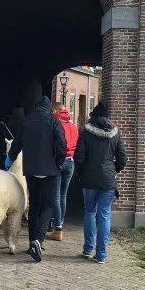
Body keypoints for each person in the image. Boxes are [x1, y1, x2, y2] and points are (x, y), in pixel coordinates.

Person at [6, 96, 66, 262]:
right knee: (48, 206)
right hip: (49, 171)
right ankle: (38, 240)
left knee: (34, 206)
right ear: (48, 108)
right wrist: (59, 162)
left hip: (31, 171)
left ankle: (32, 241)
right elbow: (61, 144)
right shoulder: (54, 122)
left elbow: (16, 144)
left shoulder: (26, 122)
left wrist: (9, 160)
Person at [73, 101, 127, 264]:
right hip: (108, 179)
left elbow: (79, 157)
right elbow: (122, 158)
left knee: (89, 211)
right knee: (104, 215)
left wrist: (81, 172)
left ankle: (88, 248)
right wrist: (114, 170)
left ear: (94, 116)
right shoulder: (116, 133)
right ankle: (101, 254)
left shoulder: (86, 132)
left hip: (89, 178)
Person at [46, 102, 79, 241]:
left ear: (55, 111)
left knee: (56, 196)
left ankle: (57, 227)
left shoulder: (54, 124)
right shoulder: (73, 126)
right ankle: (61, 223)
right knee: (63, 195)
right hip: (71, 161)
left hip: (58, 161)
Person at [0, 105, 25, 170]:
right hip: (21, 160)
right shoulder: (26, 127)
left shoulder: (5, 127)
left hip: (5, 158)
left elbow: (0, 143)